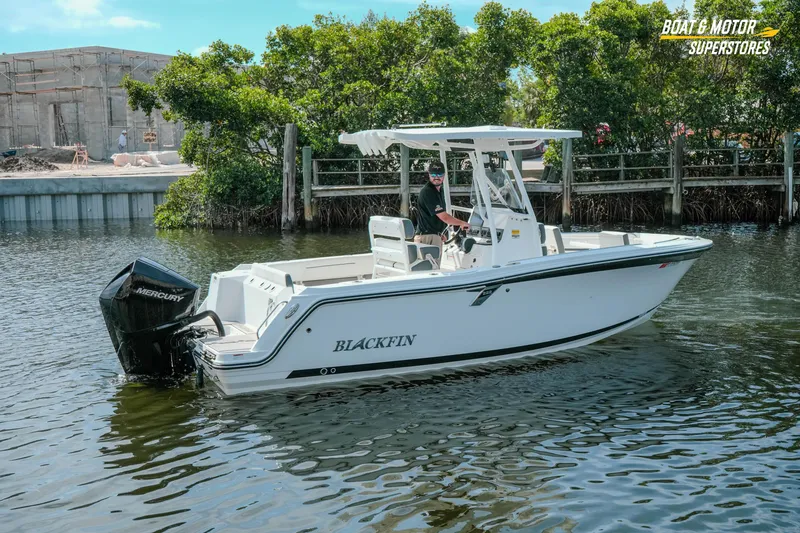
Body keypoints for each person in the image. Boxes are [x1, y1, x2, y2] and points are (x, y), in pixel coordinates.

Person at [414, 160, 469, 258]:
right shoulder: (428, 192)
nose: (436, 177)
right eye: (433, 174)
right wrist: (462, 223)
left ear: (444, 175)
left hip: (433, 236)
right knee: (430, 267)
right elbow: (444, 217)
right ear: (429, 175)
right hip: (426, 238)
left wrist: (440, 233)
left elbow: (436, 216)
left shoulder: (439, 191)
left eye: (439, 174)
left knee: (434, 266)